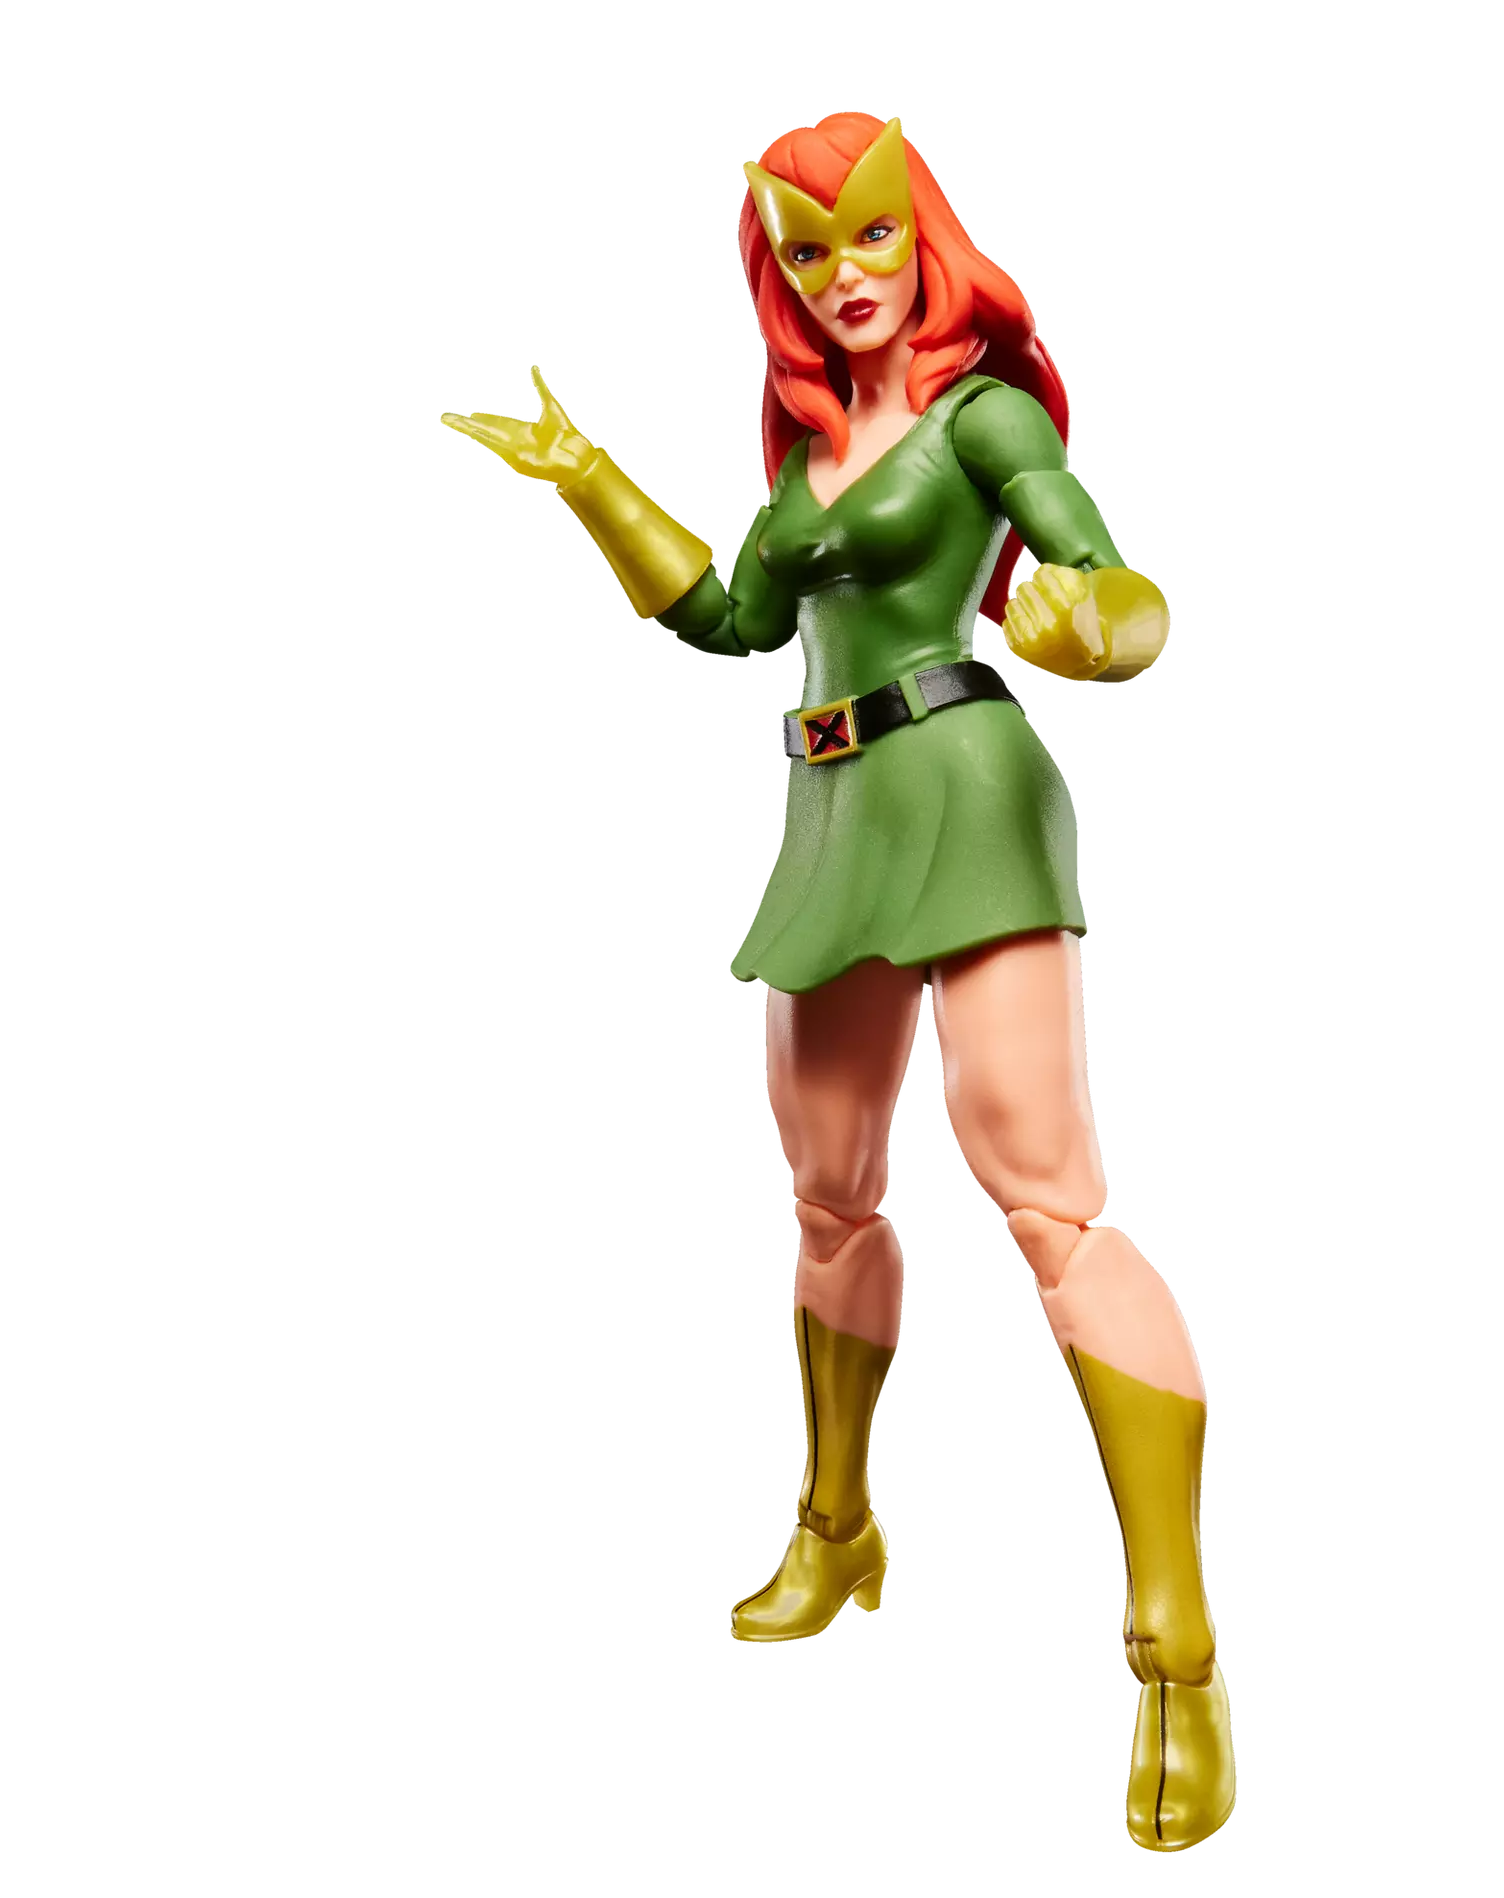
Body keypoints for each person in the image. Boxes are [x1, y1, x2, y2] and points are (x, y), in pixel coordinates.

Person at [438, 109, 1238, 1856]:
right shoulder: (806, 453)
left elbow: (1110, 569)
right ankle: (837, 1526)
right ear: (773, 275)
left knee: (1052, 1205)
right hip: (828, 808)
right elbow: (732, 623)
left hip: (969, 779)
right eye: (805, 251)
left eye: (871, 234)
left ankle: (1177, 1648)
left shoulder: (984, 417)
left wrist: (1098, 624)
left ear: (922, 232)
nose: (844, 275)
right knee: (827, 1195)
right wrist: (590, 483)